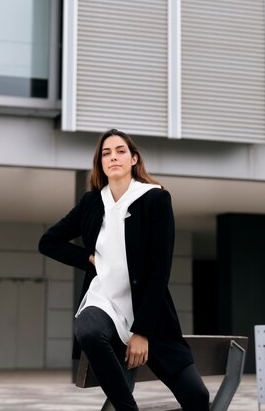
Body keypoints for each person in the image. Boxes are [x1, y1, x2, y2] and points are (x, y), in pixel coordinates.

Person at [38, 128, 210, 411]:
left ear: (133, 159)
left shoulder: (155, 199)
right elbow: (48, 242)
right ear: (100, 163)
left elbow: (159, 271)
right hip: (103, 302)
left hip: (148, 313)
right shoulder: (92, 202)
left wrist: (140, 332)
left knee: (196, 396)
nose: (113, 157)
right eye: (106, 153)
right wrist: (89, 260)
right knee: (88, 330)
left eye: (120, 151)